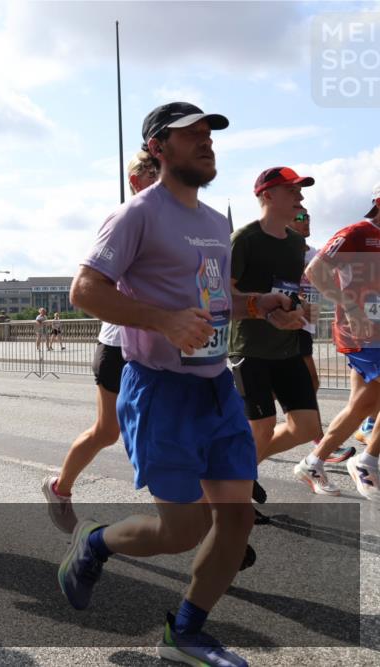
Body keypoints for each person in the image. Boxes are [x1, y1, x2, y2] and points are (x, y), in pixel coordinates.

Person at [63, 102, 303, 667]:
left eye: (209, 135)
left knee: (236, 518)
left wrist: (261, 305)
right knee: (182, 531)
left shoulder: (215, 222)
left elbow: (217, 301)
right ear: (158, 147)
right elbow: (84, 290)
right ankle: (95, 542)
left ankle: (186, 633)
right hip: (160, 391)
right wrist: (162, 321)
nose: (205, 142)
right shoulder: (137, 215)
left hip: (217, 389)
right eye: (190, 135)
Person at [43, 149, 158, 532]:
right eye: (152, 172)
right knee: (108, 431)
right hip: (119, 346)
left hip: (161, 343)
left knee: (170, 424)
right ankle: (60, 488)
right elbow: (88, 288)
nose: (162, 179)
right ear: (135, 181)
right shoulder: (127, 222)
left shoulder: (177, 223)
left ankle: (197, 515)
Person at [229, 167, 324, 504]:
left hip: (288, 348)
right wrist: (264, 309)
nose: (300, 196)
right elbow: (223, 293)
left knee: (308, 427)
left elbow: (291, 290)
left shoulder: (297, 244)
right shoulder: (243, 239)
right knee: (262, 426)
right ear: (267, 196)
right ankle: (234, 493)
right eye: (292, 191)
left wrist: (299, 308)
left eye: (300, 190)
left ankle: (239, 472)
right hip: (250, 348)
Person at [295, 181, 380, 496]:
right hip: (360, 331)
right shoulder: (356, 233)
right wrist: (352, 308)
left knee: (362, 405)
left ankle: (313, 462)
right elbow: (315, 271)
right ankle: (367, 461)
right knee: (364, 405)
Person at [288, 210, 355, 464]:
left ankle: (230, 420)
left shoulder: (314, 252)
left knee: (281, 388)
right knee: (310, 382)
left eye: (308, 217)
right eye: (300, 217)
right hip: (290, 325)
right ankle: (321, 445)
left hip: (308, 326)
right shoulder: (285, 252)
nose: (306, 221)